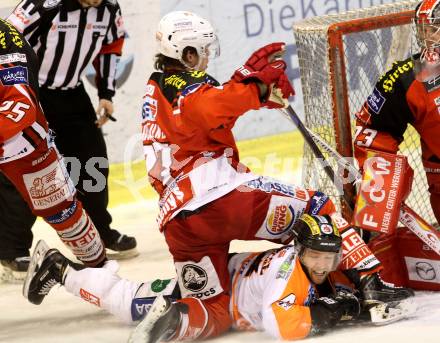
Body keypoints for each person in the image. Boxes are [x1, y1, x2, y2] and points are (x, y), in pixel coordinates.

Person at [123, 10, 413, 342]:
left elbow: (208, 119)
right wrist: (256, 88)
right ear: (187, 53)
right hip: (220, 196)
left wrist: (247, 84)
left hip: (179, 221)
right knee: (316, 210)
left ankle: (174, 319)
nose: (205, 57)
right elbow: (208, 108)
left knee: (216, 308)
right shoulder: (184, 88)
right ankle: (372, 285)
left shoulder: (157, 89)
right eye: (201, 50)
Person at [24, 214, 381, 341]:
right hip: (220, 291)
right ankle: (58, 268)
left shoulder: (303, 262)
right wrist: (334, 312)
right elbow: (281, 324)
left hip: (221, 273)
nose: (321, 264)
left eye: (328, 257)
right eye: (314, 255)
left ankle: (59, 266)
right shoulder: (289, 273)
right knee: (129, 303)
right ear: (299, 250)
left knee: (133, 296)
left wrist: (347, 302)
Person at [1, 0, 137, 278]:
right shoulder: (42, 5)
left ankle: (99, 233)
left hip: (73, 95)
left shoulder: (110, 10)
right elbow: (7, 37)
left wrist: (106, 94)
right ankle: (11, 251)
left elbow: (111, 47)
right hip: (34, 96)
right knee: (24, 171)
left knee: (93, 162)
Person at [0, 18, 106, 268]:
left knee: (63, 213)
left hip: (22, 145)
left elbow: (20, 104)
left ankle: (101, 272)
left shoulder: (6, 40)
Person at [353, 0, 440, 225]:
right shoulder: (409, 76)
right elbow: (373, 129)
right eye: (424, 30)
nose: (427, 38)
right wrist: (382, 185)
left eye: (433, 29)